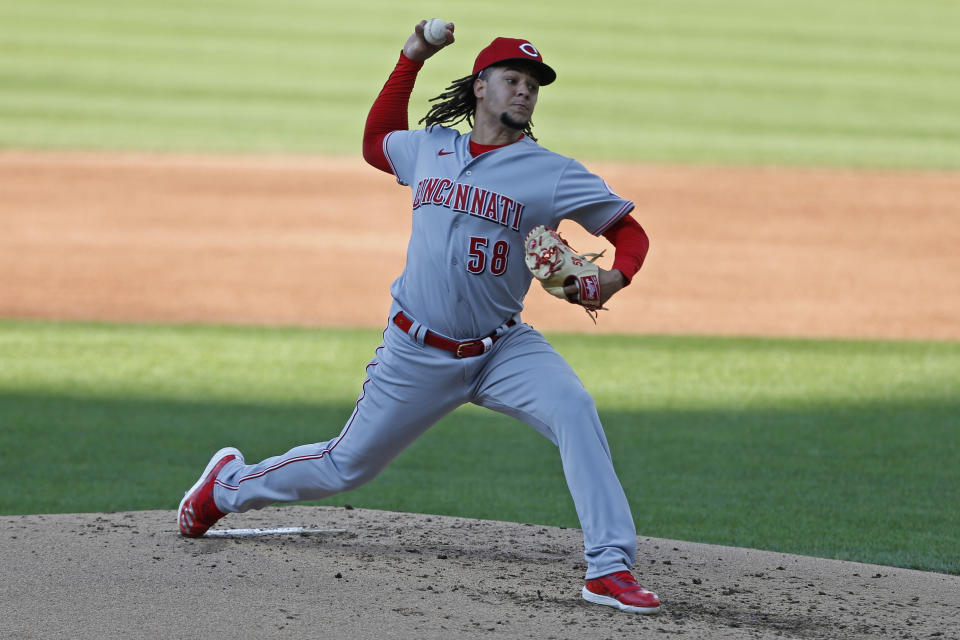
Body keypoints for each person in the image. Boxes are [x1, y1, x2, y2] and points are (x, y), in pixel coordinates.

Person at [178, 20, 659, 615]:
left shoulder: (552, 172)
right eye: (513, 79)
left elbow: (628, 230)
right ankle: (226, 487)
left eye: (534, 84)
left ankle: (608, 568)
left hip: (503, 349)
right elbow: (376, 140)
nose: (525, 91)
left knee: (575, 409)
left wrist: (615, 276)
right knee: (345, 466)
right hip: (417, 351)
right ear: (481, 87)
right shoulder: (430, 148)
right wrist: (413, 55)